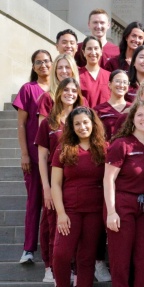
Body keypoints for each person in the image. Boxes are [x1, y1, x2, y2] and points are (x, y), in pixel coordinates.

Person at [103, 101, 144, 287]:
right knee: (120, 259)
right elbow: (108, 179)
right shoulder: (121, 144)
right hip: (123, 205)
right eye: (139, 115)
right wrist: (111, 211)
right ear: (132, 119)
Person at [49, 107, 107, 287]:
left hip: (94, 211)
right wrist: (61, 214)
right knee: (61, 255)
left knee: (87, 257)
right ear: (71, 127)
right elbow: (56, 184)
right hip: (70, 211)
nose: (82, 127)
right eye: (77, 124)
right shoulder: (63, 149)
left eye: (86, 122)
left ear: (93, 124)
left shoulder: (104, 148)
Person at [35, 77, 85, 281]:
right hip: (53, 180)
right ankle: (50, 267)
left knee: (72, 226)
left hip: (75, 181)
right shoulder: (49, 121)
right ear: (59, 93)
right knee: (52, 223)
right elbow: (42, 156)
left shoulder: (81, 119)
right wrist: (46, 187)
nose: (70, 94)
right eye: (66, 90)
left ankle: (72, 267)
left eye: (74, 90)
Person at [15, 50, 53, 264]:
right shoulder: (28, 89)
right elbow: (21, 124)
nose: (43, 65)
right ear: (33, 66)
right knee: (34, 201)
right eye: (38, 62)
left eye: (46, 61)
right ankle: (28, 248)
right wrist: (24, 154)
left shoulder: (60, 89)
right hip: (34, 156)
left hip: (55, 156)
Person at [94, 70, 132, 139]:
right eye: (118, 81)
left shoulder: (133, 108)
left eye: (125, 82)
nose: (121, 85)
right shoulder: (98, 110)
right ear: (109, 84)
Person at [79, 36, 112, 108]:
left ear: (101, 51)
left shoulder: (110, 76)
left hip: (105, 118)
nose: (93, 52)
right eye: (89, 49)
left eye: (96, 48)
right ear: (83, 52)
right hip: (84, 117)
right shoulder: (77, 75)